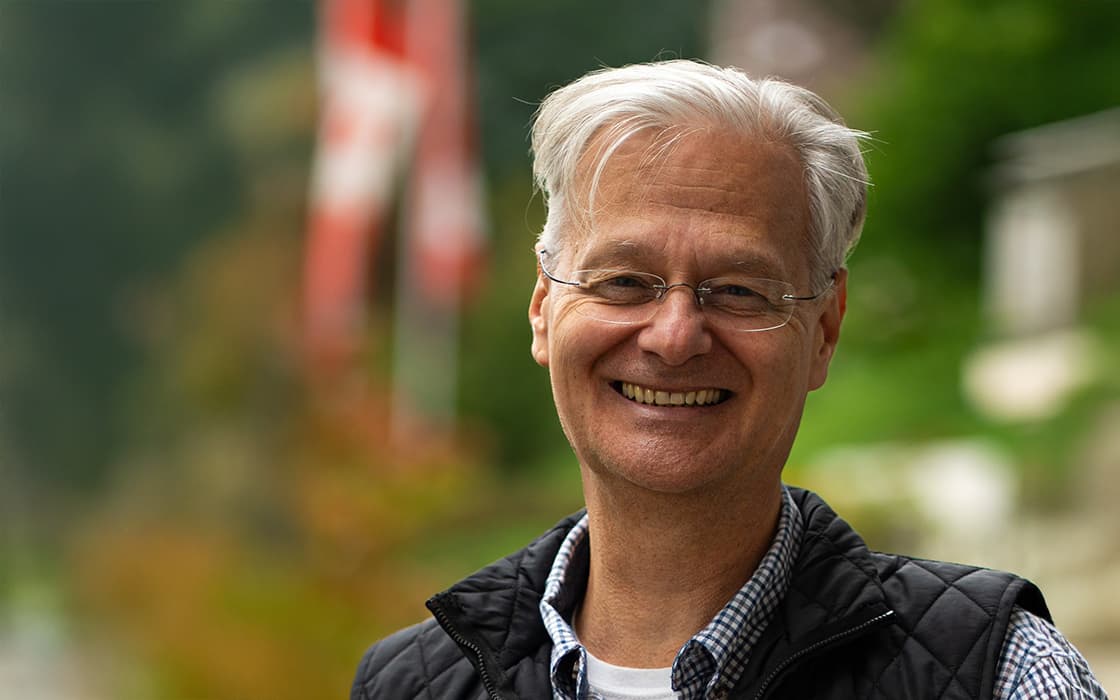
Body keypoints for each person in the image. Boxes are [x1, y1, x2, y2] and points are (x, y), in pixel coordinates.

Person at [351, 60, 1108, 699]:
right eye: (623, 281)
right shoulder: (408, 683)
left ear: (825, 329)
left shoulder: (994, 671)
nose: (676, 335)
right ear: (545, 307)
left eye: (741, 290)